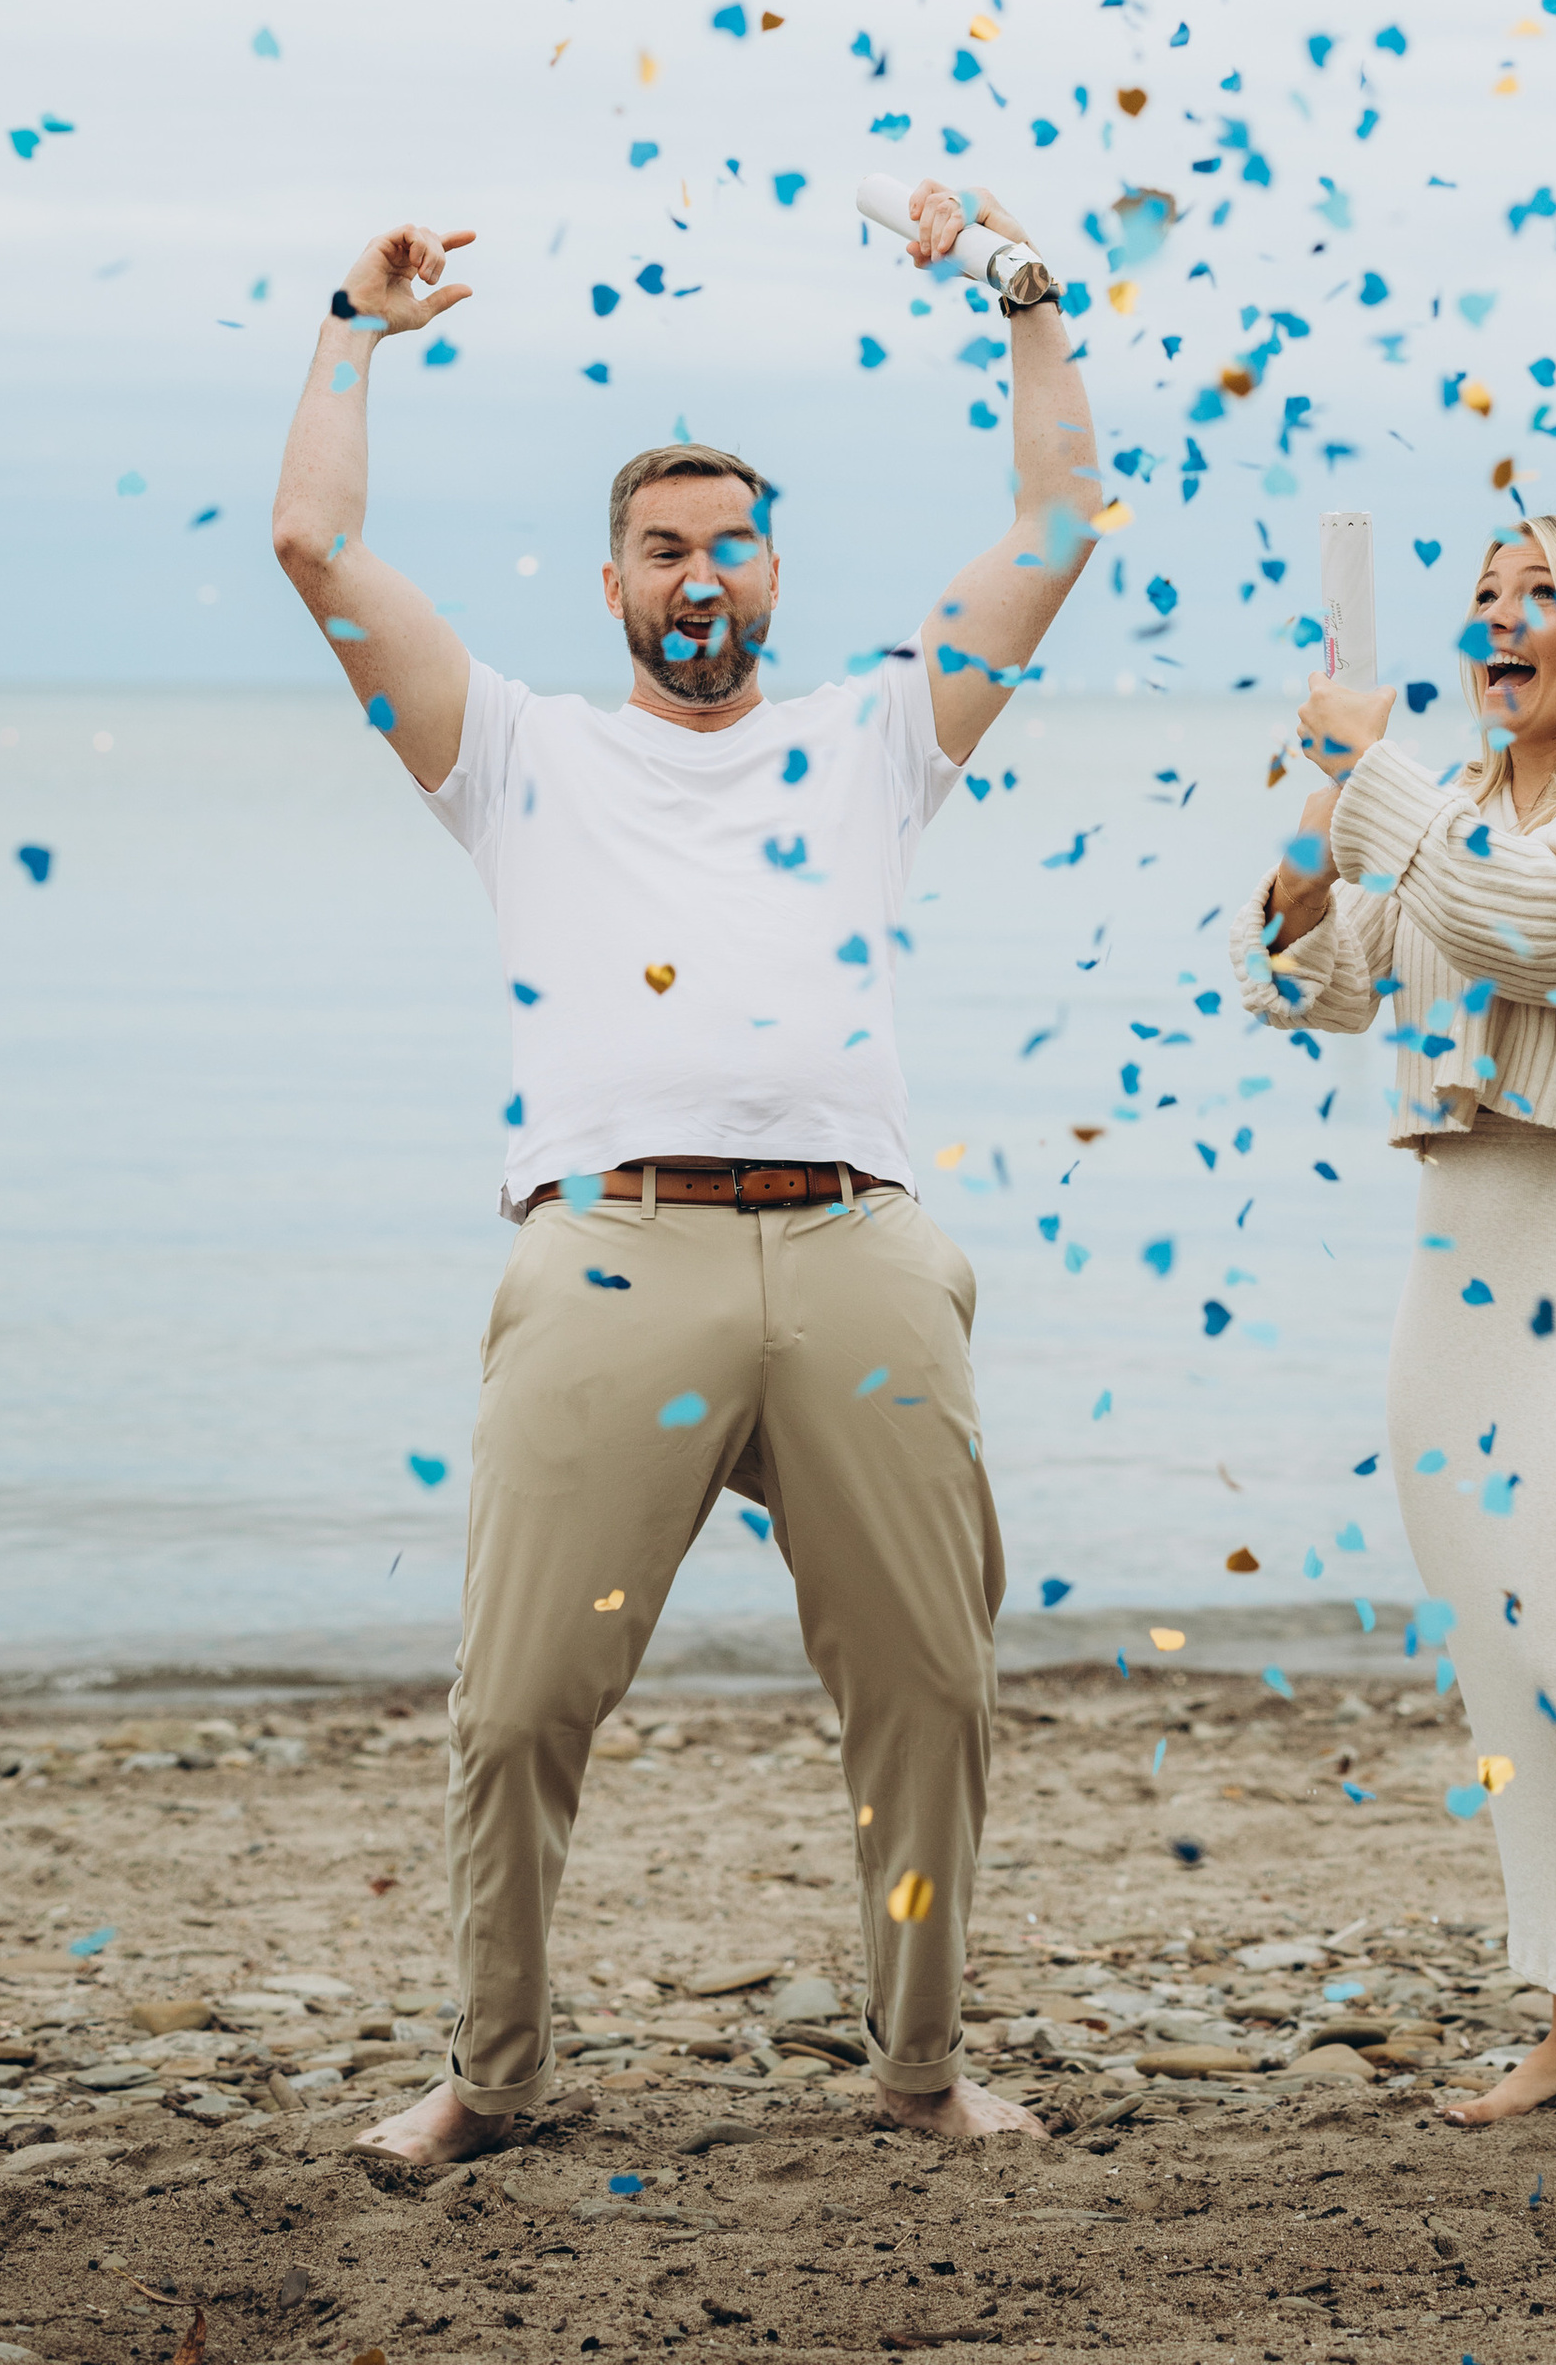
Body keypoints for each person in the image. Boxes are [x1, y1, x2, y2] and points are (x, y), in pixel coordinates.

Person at [268, 182, 1096, 2160]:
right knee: (516, 1702)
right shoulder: (512, 751)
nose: (700, 569)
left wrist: (1023, 288)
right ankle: (491, 2078)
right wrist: (350, 330)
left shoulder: (877, 737)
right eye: (665, 545)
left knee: (930, 1688)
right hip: (614, 1250)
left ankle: (919, 2071)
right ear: (616, 583)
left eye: (731, 541)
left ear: (775, 573)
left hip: (856, 1246)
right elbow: (315, 545)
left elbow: (1060, 522)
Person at [1229, 516, 1556, 2198]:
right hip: (1463, 1262)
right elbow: (1304, 991)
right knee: (1508, 1671)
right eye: (1484, 600)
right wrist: (1308, 865)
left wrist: (1374, 780)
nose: (1502, 622)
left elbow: (1540, 927)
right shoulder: (1450, 808)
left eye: (1543, 597)